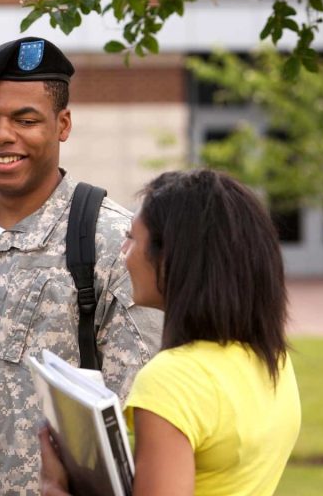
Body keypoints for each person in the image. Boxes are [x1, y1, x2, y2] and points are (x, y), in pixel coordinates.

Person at [0, 37, 163, 494]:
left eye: (25, 119)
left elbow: (140, 418)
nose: (0, 135)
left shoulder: (113, 247)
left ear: (63, 124)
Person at [39, 168, 302, 496]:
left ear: (171, 257)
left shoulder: (172, 381)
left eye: (132, 238)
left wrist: (54, 488)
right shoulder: (272, 359)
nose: (123, 252)